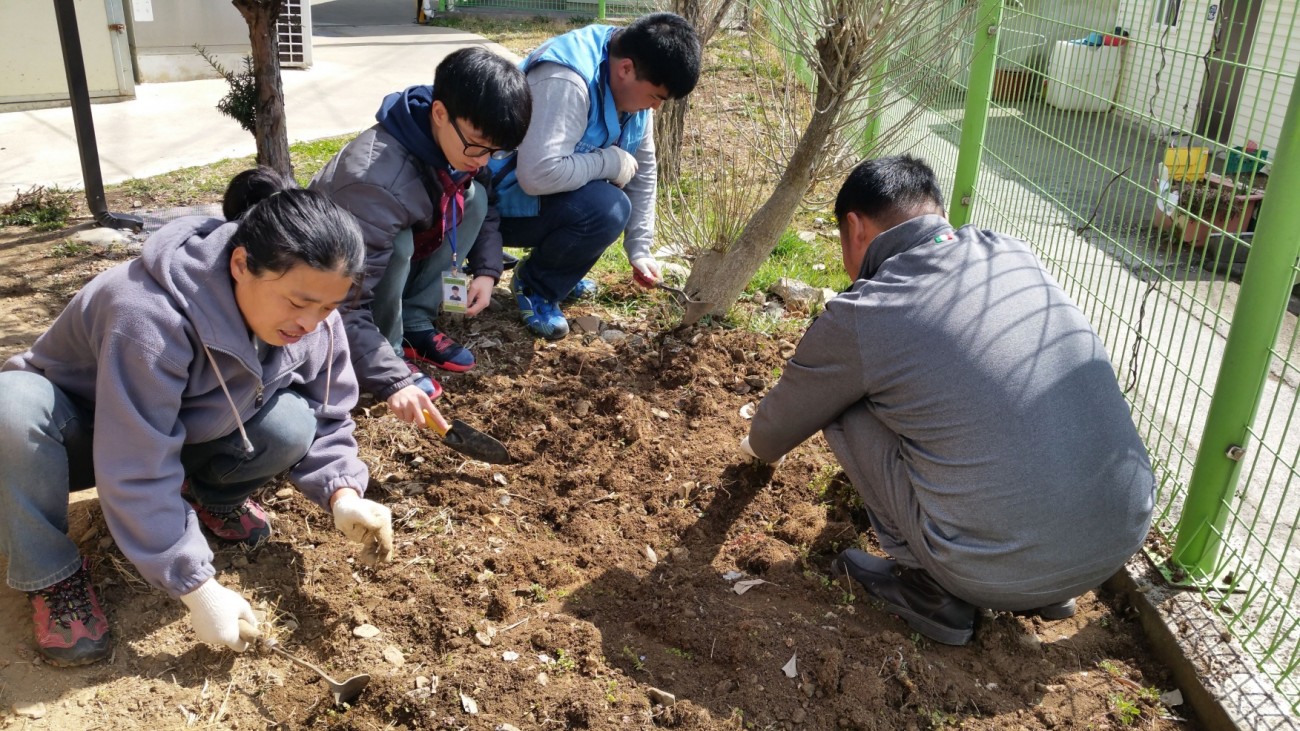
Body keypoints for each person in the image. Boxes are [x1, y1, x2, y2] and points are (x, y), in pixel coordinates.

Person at [740, 155, 1155, 646]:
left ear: (854, 227)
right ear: (934, 210)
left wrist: (752, 448)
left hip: (990, 572)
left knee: (843, 404)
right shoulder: (1011, 252)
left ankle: (927, 587)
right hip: (1117, 538)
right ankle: (1046, 584)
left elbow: (773, 435)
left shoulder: (868, 311)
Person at [0, 168, 395, 667]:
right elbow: (136, 461)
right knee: (12, 406)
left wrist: (342, 493)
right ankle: (52, 576)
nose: (310, 323)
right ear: (240, 265)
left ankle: (206, 499)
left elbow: (328, 412)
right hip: (77, 433)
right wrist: (199, 588)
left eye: (328, 307)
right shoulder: (146, 316)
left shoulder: (316, 313)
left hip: (172, 429)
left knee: (291, 423)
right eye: (298, 303)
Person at [311, 46, 530, 424]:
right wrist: (392, 380)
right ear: (441, 113)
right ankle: (389, 349)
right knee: (399, 244)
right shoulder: (374, 181)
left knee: (473, 197)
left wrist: (486, 271)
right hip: (329, 278)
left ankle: (414, 323)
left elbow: (487, 205)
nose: (482, 160)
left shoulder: (461, 145)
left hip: (391, 253)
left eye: (495, 152)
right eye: (478, 146)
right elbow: (344, 302)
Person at [488, 12, 702, 340]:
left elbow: (642, 171)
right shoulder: (567, 79)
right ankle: (536, 285)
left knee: (611, 201)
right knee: (607, 206)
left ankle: (556, 272)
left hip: (532, 197)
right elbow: (536, 174)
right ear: (626, 69)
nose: (656, 109)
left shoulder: (631, 83)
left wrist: (640, 248)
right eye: (655, 97)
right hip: (489, 207)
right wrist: (608, 162)